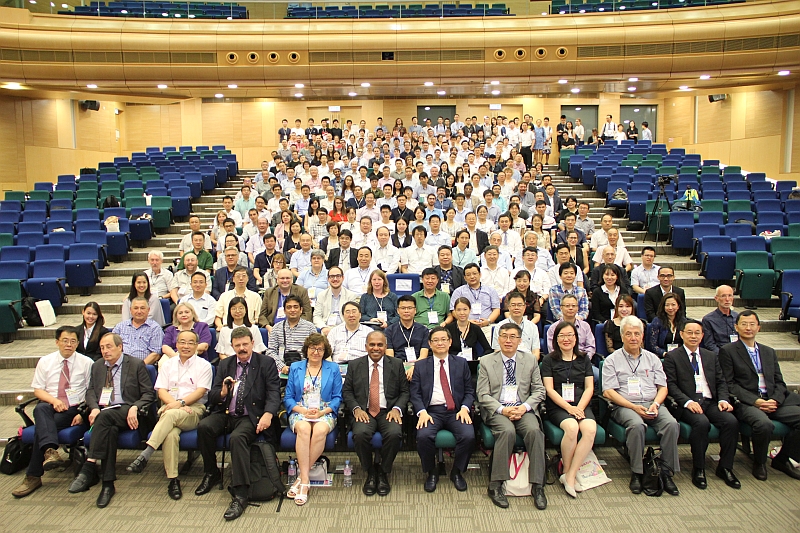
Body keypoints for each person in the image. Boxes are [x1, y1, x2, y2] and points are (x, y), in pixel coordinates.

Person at [194, 327, 281, 520]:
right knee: (204, 427)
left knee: (237, 438)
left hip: (251, 416)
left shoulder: (266, 363)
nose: (241, 348)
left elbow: (274, 393)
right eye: (237, 345)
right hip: (226, 412)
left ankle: (241, 493)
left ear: (252, 343)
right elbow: (213, 395)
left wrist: (268, 414)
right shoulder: (225, 364)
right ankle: (211, 473)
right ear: (232, 346)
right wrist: (224, 392)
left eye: (245, 344)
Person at [68, 333, 156, 508]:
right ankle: (108, 484)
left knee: (105, 416)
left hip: (130, 412)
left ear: (120, 347)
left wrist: (135, 406)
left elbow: (149, 393)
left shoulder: (136, 365)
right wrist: (93, 407)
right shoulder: (98, 366)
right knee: (110, 430)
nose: (105, 351)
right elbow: (91, 391)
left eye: (109, 347)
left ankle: (90, 463)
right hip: (105, 414)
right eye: (102, 348)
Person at [125, 330, 213, 499]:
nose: (186, 346)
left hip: (193, 410)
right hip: (170, 408)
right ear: (177, 344)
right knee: (171, 435)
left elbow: (200, 392)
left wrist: (179, 404)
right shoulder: (168, 364)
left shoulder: (204, 365)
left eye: (190, 343)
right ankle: (173, 479)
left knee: (171, 415)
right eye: (182, 342)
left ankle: (147, 452)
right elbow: (161, 391)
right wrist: (175, 405)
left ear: (196, 345)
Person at [602, 316, 680, 496]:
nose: (633, 338)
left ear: (642, 336)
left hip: (652, 403)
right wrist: (633, 407)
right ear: (622, 337)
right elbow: (608, 392)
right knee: (637, 425)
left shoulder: (653, 359)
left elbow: (663, 387)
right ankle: (637, 472)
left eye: (637, 334)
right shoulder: (612, 360)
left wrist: (656, 404)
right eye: (628, 334)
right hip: (625, 406)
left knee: (671, 424)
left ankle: (667, 472)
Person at [11, 327, 93, 498]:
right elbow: (38, 390)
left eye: (73, 341)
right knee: (40, 408)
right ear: (57, 342)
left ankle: (33, 475)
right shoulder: (45, 361)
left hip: (73, 408)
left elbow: (90, 391)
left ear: (78, 343)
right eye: (65, 340)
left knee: (41, 429)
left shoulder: (86, 363)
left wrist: (82, 412)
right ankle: (50, 451)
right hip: (50, 404)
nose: (68, 345)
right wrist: (54, 401)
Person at [718, 311, 800, 481]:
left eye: (752, 324)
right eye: (744, 324)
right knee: (764, 424)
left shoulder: (769, 351)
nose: (748, 328)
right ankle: (760, 462)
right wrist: (756, 401)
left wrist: (774, 400)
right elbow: (730, 384)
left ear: (759, 327)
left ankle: (783, 459)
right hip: (747, 402)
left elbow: (779, 382)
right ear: (736, 327)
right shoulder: (728, 351)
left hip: (772, 400)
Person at [662, 320, 740, 490]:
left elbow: (721, 382)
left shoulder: (711, 356)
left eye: (697, 333)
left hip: (710, 401)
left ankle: (725, 467)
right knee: (701, 423)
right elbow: (671, 386)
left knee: (731, 421)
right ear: (681, 334)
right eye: (689, 332)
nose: (693, 336)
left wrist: (723, 399)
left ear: (702, 336)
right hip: (687, 404)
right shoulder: (672, 357)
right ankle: (699, 468)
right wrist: (687, 402)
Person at [477, 322, 548, 509]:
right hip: (498, 410)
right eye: (504, 336)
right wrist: (502, 409)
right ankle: (496, 484)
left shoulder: (530, 360)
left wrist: (524, 407)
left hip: (523, 408)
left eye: (512, 337)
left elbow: (539, 391)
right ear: (498, 339)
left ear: (520, 340)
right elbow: (482, 394)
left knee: (534, 431)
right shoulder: (486, 361)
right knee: (507, 431)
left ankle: (538, 485)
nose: (508, 340)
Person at [342, 331, 409, 497]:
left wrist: (397, 409)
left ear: (386, 347)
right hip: (364, 411)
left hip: (388, 411)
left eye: (380, 345)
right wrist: (356, 409)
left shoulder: (397, 363)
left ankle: (383, 472)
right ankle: (370, 471)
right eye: (372, 345)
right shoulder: (355, 365)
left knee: (394, 434)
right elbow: (347, 392)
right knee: (360, 434)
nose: (376, 348)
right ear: (366, 347)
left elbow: (405, 392)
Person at [410, 327, 476, 493]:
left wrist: (465, 409)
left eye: (443, 339)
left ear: (450, 342)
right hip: (431, 412)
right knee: (423, 436)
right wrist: (422, 412)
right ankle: (431, 472)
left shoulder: (460, 363)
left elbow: (469, 390)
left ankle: (457, 471)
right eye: (436, 340)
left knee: (468, 436)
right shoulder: (420, 366)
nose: (440, 343)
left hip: (456, 411)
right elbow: (415, 393)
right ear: (430, 344)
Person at [284, 333, 343, 506]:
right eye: (312, 348)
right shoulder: (296, 367)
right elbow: (287, 398)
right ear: (306, 349)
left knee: (319, 431)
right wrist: (302, 410)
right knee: (303, 429)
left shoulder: (333, 368)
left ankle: (301, 480)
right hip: (300, 409)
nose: (316, 352)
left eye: (320, 349)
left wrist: (322, 412)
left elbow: (337, 398)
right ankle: (305, 482)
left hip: (323, 412)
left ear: (325, 351)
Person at [541, 321, 596, 498]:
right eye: (562, 336)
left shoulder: (583, 358)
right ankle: (566, 470)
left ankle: (570, 474)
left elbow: (589, 387)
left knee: (589, 429)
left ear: (576, 338)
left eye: (570, 335)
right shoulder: (549, 359)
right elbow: (549, 389)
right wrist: (569, 408)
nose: (566, 339)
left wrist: (579, 407)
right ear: (556, 339)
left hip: (581, 403)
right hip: (558, 405)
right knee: (572, 428)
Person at [265, 295, 318, 373]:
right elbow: (270, 351)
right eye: (289, 307)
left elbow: (315, 350)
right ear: (284, 311)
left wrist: (305, 366)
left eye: (295, 307)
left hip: (305, 369)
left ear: (301, 310)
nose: (292, 310)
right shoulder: (276, 328)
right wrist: (282, 367)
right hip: (282, 368)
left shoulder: (310, 328)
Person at [448, 263, 500, 340]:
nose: (472, 277)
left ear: (480, 274)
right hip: (465, 326)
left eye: (474, 273)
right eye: (468, 275)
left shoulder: (491, 290)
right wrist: (467, 321)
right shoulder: (458, 291)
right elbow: (453, 311)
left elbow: (496, 309)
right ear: (464, 278)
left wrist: (488, 321)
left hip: (487, 326)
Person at [385, 295, 431, 378]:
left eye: (410, 308)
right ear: (398, 311)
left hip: (418, 368)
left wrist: (414, 367)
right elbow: (390, 356)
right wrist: (401, 369)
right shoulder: (389, 330)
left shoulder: (424, 330)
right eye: (403, 308)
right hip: (396, 368)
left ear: (415, 310)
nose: (406, 311)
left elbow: (423, 355)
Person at [112, 297, 164, 365]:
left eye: (142, 308)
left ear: (148, 310)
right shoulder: (120, 327)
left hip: (143, 367)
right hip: (120, 366)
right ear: (130, 310)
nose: (139, 311)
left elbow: (156, 354)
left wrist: (139, 367)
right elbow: (112, 346)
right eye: (136, 308)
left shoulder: (155, 328)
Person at [312, 266, 359, 334]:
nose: (335, 279)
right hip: (326, 328)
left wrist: (340, 329)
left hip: (345, 328)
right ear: (328, 279)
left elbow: (352, 316)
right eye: (332, 276)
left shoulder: (351, 296)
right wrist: (323, 327)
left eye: (338, 276)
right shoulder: (321, 295)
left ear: (343, 278)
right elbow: (317, 316)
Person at [701, 285, 739, 354]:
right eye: (723, 296)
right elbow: (709, 344)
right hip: (720, 355)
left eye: (730, 295)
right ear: (716, 298)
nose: (727, 299)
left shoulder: (738, 317)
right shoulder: (709, 319)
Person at [646, 292, 686, 357]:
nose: (670, 308)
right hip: (663, 355)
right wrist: (665, 354)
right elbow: (652, 345)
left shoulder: (683, 321)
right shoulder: (657, 321)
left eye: (673, 305)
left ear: (678, 306)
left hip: (680, 355)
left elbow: (686, 342)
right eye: (667, 305)